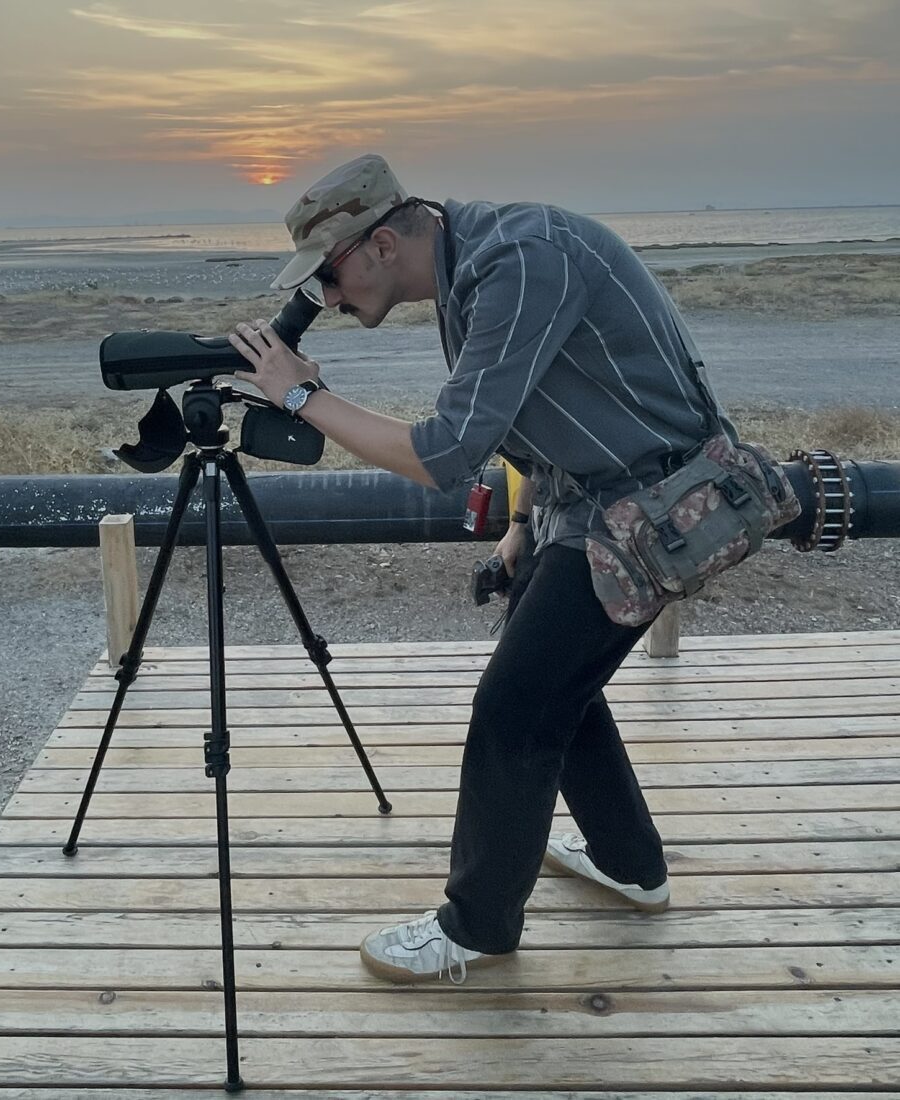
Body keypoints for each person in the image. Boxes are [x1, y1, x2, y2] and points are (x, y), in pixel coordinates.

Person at [228, 153, 735, 985]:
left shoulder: (519, 261)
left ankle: (478, 926)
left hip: (654, 509)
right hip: (591, 504)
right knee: (549, 682)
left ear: (382, 243)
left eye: (329, 274)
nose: (325, 297)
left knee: (514, 705)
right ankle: (630, 866)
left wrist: (300, 397)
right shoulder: (473, 269)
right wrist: (523, 529)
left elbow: (445, 453)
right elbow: (536, 411)